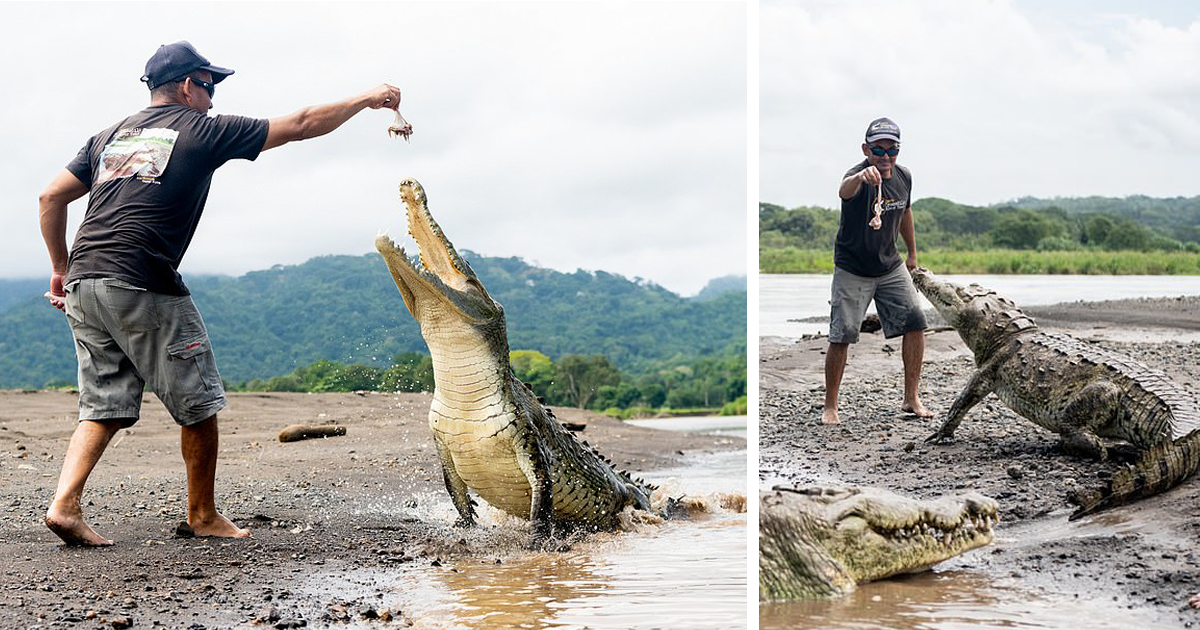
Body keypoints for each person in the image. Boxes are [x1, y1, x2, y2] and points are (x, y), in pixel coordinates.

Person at [37, 41, 404, 546]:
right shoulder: (200, 129)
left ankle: (64, 505)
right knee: (199, 403)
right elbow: (299, 124)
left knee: (103, 405)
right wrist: (367, 98)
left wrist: (61, 267)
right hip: (143, 280)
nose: (211, 99)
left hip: (85, 280)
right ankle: (203, 515)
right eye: (208, 87)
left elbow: (50, 196)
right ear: (187, 86)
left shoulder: (108, 137)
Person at [821, 117, 932, 425]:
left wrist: (911, 253)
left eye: (891, 150)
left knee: (915, 322)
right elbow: (843, 191)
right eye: (878, 150)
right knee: (841, 334)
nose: (885, 158)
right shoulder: (857, 175)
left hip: (890, 264)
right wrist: (860, 177)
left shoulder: (904, 177)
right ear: (865, 149)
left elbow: (906, 212)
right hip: (852, 267)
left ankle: (911, 399)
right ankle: (831, 406)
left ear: (898, 150)